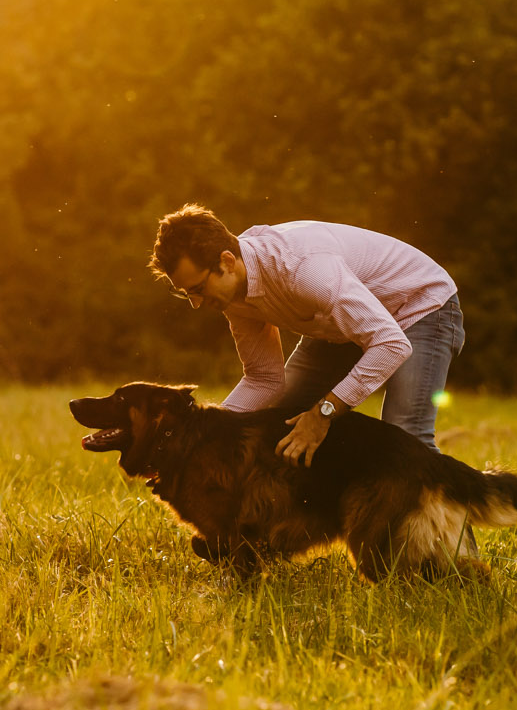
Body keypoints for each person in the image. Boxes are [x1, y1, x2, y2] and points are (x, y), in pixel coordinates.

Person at [149, 204, 477, 555]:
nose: (197, 304)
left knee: (406, 436)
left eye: (198, 288)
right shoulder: (233, 295)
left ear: (227, 261)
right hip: (339, 326)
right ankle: (261, 543)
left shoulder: (302, 269)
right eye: (187, 294)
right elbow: (263, 379)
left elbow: (390, 344)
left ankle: (461, 557)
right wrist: (199, 439)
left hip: (420, 308)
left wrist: (323, 414)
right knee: (276, 424)